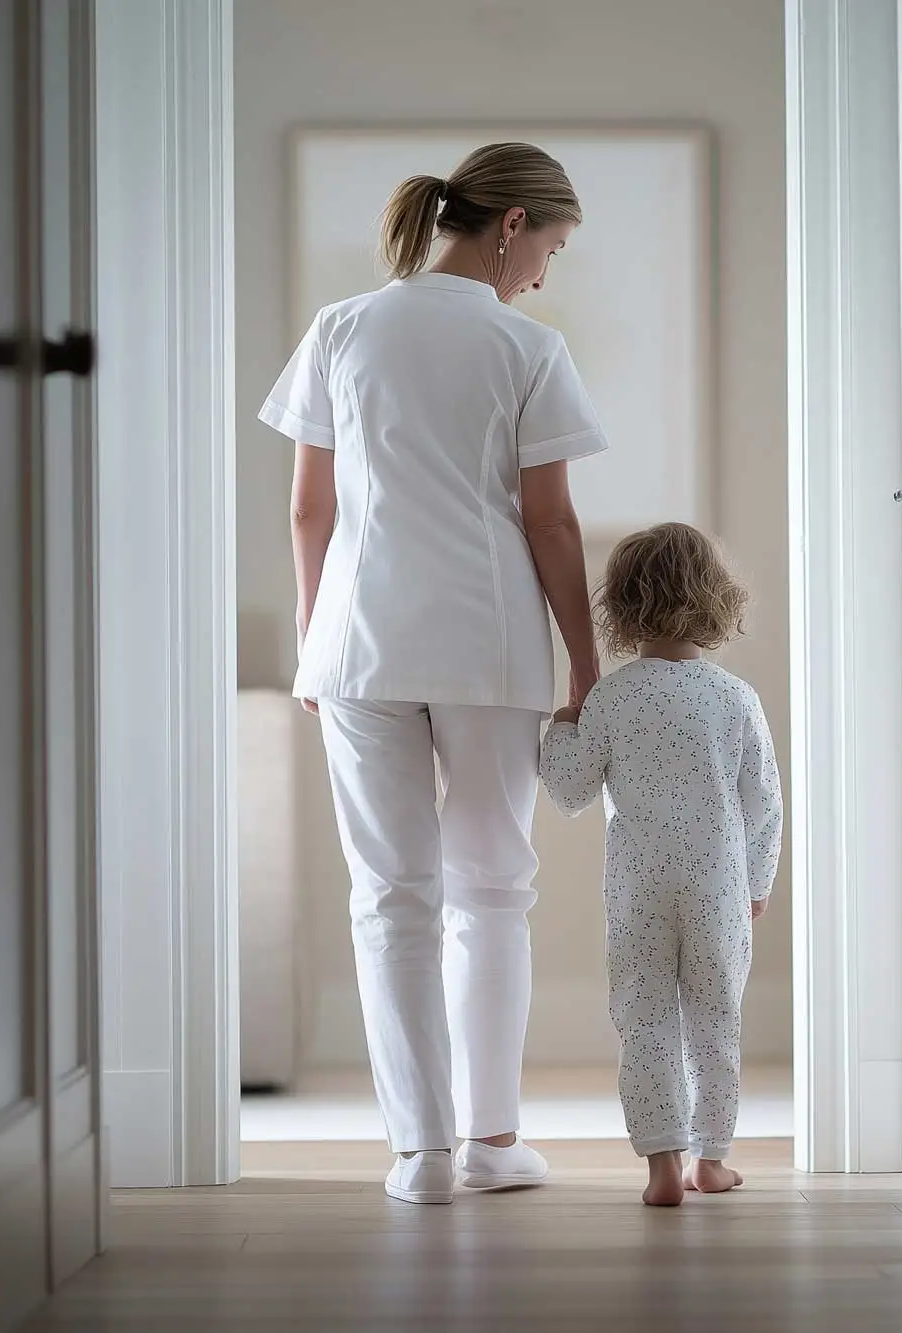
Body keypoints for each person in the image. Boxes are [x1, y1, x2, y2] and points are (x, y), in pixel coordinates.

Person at [260, 143, 607, 1205]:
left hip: (357, 642)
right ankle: (493, 1142)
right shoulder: (526, 347)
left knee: (389, 895)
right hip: (487, 643)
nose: (543, 274)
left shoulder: (341, 327)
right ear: (513, 225)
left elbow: (308, 508)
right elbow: (549, 521)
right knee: (491, 889)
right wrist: (585, 661)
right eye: (551, 247)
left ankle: (421, 1154)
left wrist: (316, 635)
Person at [539, 523, 784, 1206]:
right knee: (716, 1019)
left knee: (644, 1017)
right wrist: (758, 882)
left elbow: (569, 793)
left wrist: (563, 725)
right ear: (716, 599)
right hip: (718, 887)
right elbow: (764, 804)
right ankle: (712, 1159)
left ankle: (661, 1169)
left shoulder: (611, 699)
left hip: (639, 889)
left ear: (620, 606)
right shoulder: (735, 698)